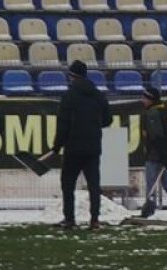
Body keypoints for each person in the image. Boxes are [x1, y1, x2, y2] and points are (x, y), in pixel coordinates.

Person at [51, 60, 112, 230]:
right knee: (94, 184)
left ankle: (69, 218)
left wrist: (57, 146)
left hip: (73, 146)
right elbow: (108, 119)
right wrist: (93, 126)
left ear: (72, 76)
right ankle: (94, 219)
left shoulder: (69, 96)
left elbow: (63, 124)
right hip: (93, 146)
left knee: (68, 183)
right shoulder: (98, 95)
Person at [136, 85, 167, 218]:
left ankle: (149, 209)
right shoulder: (166, 113)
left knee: (151, 185)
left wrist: (162, 157)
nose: (142, 100)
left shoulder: (152, 114)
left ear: (151, 99)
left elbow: (157, 137)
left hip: (155, 156)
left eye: (145, 98)